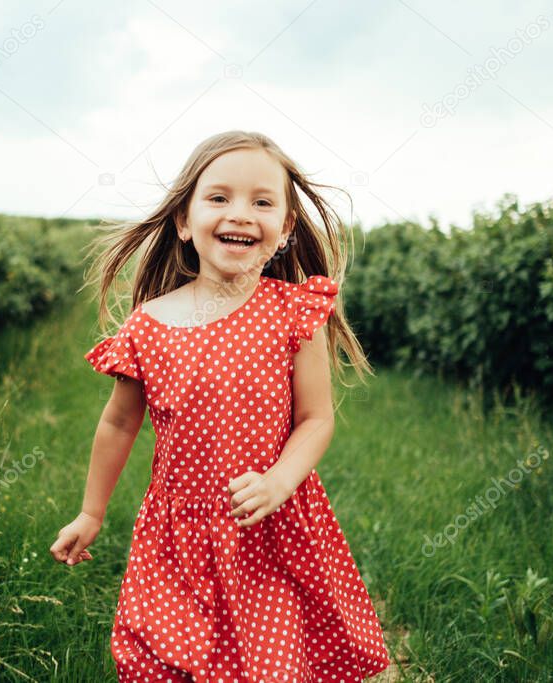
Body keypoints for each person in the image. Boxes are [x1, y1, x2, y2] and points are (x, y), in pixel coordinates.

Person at [49, 130, 391, 682]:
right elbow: (118, 422)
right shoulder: (149, 326)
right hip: (176, 536)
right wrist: (92, 512)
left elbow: (315, 418)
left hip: (269, 530)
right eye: (219, 197)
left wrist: (280, 480)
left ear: (285, 229)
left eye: (262, 201)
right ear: (184, 221)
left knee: (270, 663)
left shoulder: (292, 313)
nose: (241, 213)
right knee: (161, 661)